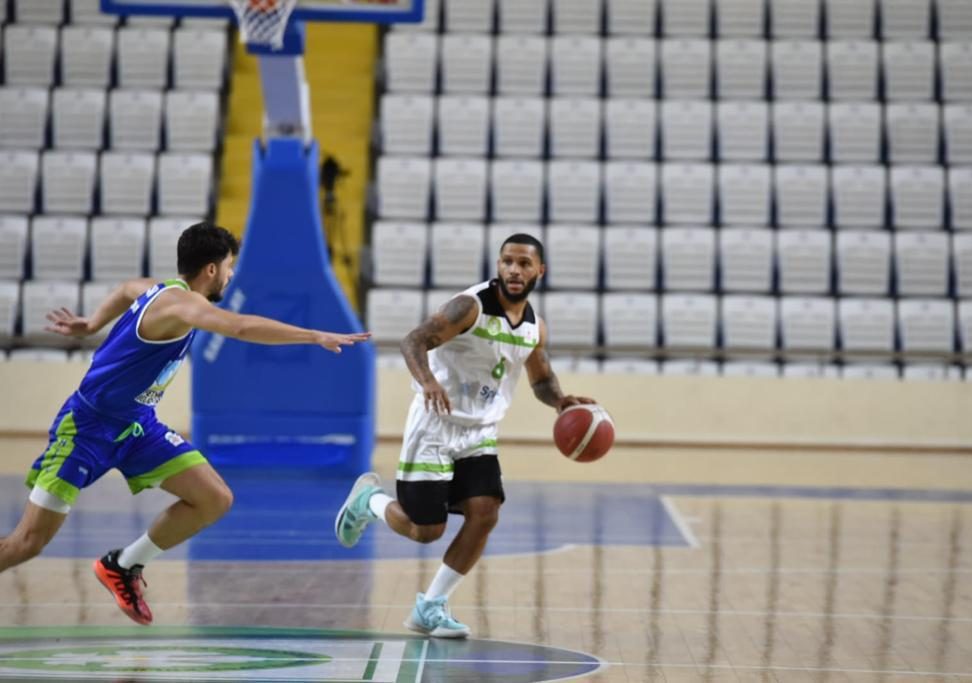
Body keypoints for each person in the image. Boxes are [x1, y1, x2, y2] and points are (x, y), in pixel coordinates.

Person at [0, 222, 371, 625]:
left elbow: (126, 289)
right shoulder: (182, 305)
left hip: (137, 427)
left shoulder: (158, 290)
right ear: (211, 269)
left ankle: (122, 565)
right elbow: (240, 327)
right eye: (228, 266)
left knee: (214, 498)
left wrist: (91, 324)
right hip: (88, 429)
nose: (230, 274)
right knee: (28, 542)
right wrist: (313, 335)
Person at [334, 233, 595, 639]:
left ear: (539, 271)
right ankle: (370, 500)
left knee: (486, 513)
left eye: (524, 263)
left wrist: (561, 401)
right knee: (426, 530)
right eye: (508, 261)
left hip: (480, 433)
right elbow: (413, 340)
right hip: (435, 426)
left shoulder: (534, 328)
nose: (514, 269)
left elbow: (541, 378)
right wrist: (427, 382)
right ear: (499, 265)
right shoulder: (469, 307)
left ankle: (430, 606)